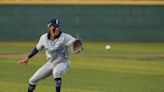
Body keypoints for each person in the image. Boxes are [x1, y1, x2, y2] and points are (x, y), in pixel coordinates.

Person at [18, 18, 81, 92]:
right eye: (54, 27)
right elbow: (37, 48)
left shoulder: (65, 37)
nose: (56, 28)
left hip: (63, 62)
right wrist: (28, 58)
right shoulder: (44, 38)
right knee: (32, 80)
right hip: (50, 63)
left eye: (58, 27)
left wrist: (76, 47)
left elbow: (75, 43)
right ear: (49, 27)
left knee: (56, 72)